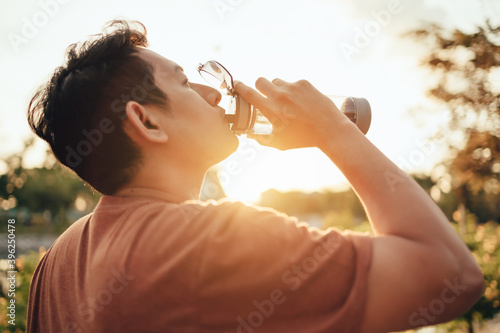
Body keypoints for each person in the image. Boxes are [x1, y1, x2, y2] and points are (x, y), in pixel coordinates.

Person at [25, 20, 483, 333]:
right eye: (185, 83)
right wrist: (333, 130)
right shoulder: (209, 240)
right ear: (147, 123)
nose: (212, 91)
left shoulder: (55, 263)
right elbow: (450, 275)